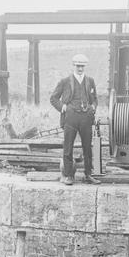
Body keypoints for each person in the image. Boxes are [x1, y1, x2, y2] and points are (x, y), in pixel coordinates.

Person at [49, 53, 100, 185]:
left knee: (87, 147)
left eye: (82, 66)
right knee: (68, 147)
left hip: (86, 118)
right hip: (70, 117)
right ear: (74, 66)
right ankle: (68, 176)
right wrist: (63, 107)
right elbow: (53, 98)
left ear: (85, 67)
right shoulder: (65, 82)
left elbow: (95, 99)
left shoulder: (90, 81)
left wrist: (93, 107)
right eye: (78, 66)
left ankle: (88, 174)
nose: (80, 69)